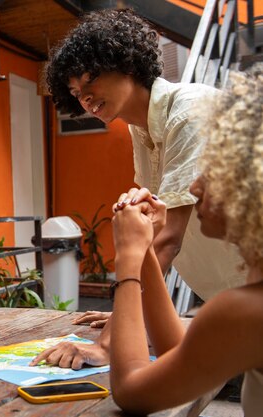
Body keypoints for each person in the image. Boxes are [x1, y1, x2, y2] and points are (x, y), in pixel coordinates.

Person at [31, 8, 244, 369]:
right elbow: (155, 228)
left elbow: (166, 237)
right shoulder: (140, 130)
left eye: (91, 79)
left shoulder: (189, 112)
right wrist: (127, 315)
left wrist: (110, 340)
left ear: (126, 62)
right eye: (75, 92)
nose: (84, 97)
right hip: (237, 301)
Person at [104, 67, 263, 415]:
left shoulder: (247, 310)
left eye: (212, 168)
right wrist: (146, 252)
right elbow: (184, 356)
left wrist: (128, 258)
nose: (193, 187)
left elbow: (132, 390)